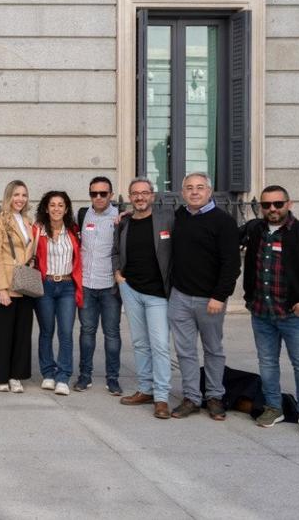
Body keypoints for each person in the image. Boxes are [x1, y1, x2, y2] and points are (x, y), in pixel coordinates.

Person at [240, 185, 299, 436]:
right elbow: (222, 236)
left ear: (289, 204)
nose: (272, 209)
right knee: (267, 363)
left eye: (277, 204)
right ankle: (273, 407)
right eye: (266, 205)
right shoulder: (255, 229)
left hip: (294, 314)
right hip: (262, 312)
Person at [168, 172, 240, 420]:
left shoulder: (224, 221)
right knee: (185, 351)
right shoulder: (179, 216)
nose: (194, 192)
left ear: (209, 192)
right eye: (189, 188)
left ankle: (214, 396)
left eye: (200, 187)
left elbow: (231, 264)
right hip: (180, 297)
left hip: (210, 299)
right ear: (182, 192)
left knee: (213, 349)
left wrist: (219, 296)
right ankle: (191, 397)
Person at [113, 177, 174, 419]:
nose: (139, 197)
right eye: (135, 193)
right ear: (130, 197)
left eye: (144, 193)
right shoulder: (124, 223)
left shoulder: (168, 218)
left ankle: (161, 397)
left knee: (159, 345)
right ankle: (146, 389)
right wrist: (118, 273)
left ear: (152, 195)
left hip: (158, 293)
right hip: (131, 289)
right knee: (139, 343)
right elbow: (115, 251)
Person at [0, 180, 36, 393]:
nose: (20, 199)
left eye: (24, 195)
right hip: (2, 285)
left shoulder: (27, 221)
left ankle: (16, 375)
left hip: (24, 283)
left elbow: (29, 251)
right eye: (16, 195)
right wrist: (2, 288)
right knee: (2, 334)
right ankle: (1, 376)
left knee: (22, 334)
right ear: (8, 197)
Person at [75, 176, 123, 395]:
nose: (99, 197)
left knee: (112, 334)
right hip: (86, 284)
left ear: (111, 195)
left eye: (103, 193)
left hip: (110, 286)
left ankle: (112, 378)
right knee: (87, 332)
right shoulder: (83, 215)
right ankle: (85, 375)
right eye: (94, 193)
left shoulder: (121, 218)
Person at [32, 191, 83, 396]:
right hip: (45, 285)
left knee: (66, 332)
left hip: (67, 286)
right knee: (46, 331)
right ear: (46, 207)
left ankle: (63, 376)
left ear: (66, 208)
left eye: (60, 205)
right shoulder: (38, 230)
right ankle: (48, 374)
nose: (56, 209)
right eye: (52, 205)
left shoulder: (73, 230)